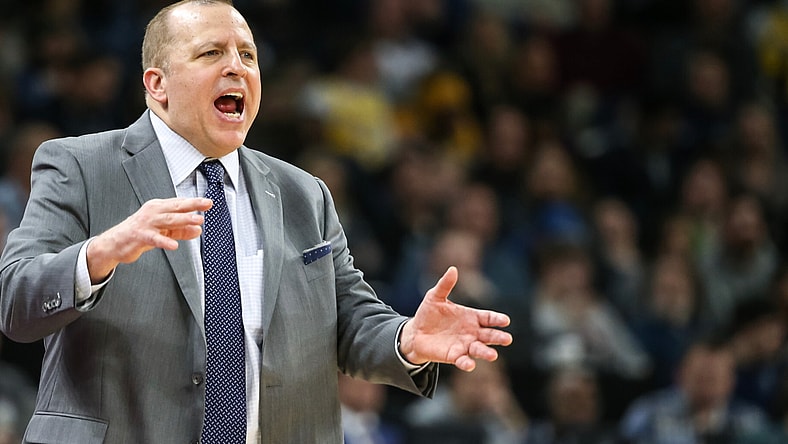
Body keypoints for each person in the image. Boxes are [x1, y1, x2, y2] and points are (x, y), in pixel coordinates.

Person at [0, 1, 513, 443]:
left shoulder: (303, 193)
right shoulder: (81, 166)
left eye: (248, 55)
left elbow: (350, 319)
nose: (237, 68)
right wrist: (100, 254)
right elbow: (15, 299)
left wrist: (406, 340)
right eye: (210, 53)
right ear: (157, 84)